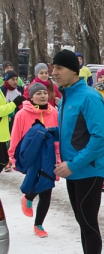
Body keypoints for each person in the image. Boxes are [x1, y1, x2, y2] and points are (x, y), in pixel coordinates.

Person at [52, 49, 104, 254]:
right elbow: (72, 132)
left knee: (88, 223)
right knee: (82, 222)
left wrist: (73, 165)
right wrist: (49, 133)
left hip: (88, 171)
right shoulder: (65, 97)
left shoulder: (89, 97)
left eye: (58, 69)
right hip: (74, 172)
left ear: (73, 70)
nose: (54, 73)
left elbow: (99, 139)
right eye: (53, 69)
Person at [9, 83, 60, 237]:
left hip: (49, 155)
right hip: (32, 155)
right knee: (36, 183)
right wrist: (13, 157)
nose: (43, 96)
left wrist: (59, 155)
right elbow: (16, 136)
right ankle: (28, 197)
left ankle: (38, 224)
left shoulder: (54, 112)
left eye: (44, 93)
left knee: (47, 186)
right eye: (38, 93)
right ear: (31, 97)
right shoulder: (22, 114)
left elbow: (59, 136)